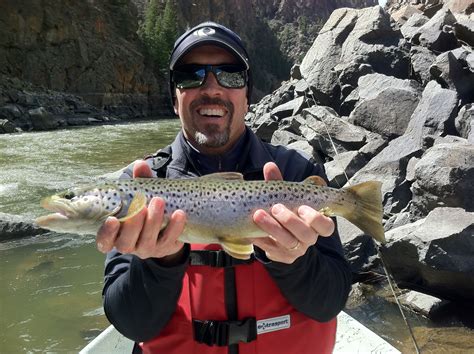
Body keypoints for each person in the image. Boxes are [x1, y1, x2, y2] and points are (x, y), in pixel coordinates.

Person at [96, 22, 351, 354]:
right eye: (191, 75)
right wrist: (159, 263)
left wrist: (295, 261)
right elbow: (132, 325)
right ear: (175, 98)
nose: (212, 88)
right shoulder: (138, 188)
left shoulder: (296, 173)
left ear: (248, 96)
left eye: (230, 75)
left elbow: (329, 303)